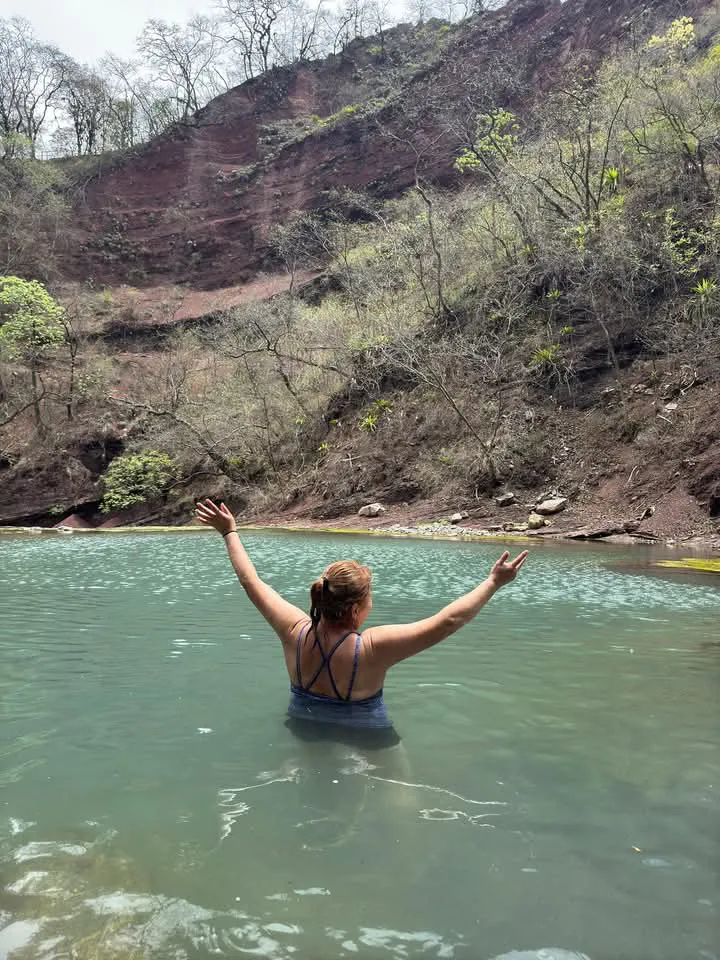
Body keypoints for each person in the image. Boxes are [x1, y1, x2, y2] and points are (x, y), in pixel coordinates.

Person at [195, 499, 528, 747]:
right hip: (367, 731)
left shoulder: (293, 631)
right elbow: (448, 621)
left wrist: (230, 532)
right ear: (356, 609)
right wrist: (493, 583)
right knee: (397, 793)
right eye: (370, 598)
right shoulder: (372, 647)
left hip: (304, 725)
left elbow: (251, 582)